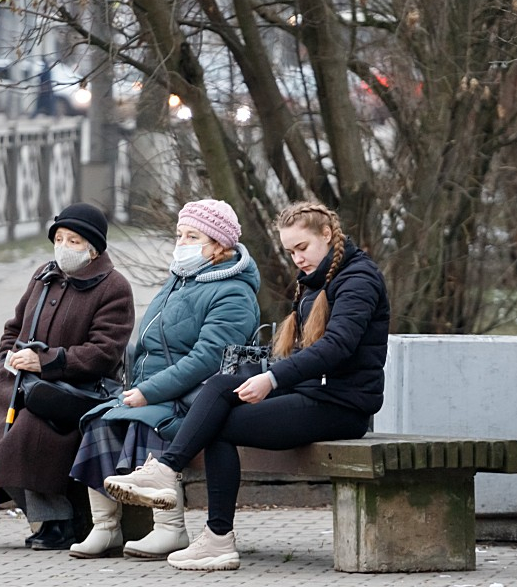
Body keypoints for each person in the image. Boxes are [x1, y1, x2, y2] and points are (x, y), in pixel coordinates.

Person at [103, 201, 390, 571]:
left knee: (219, 427)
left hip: (343, 406)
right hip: (311, 393)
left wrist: (271, 379)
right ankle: (176, 481)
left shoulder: (358, 279)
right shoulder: (317, 280)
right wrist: (270, 374)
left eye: (302, 248)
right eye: (290, 252)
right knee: (223, 387)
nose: (297, 259)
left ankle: (213, 532)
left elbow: (336, 348)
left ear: (327, 235)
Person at [67, 199, 260, 560]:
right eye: (179, 234)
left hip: (192, 399)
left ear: (219, 245)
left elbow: (207, 359)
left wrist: (147, 392)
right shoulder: (180, 280)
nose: (181, 243)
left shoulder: (233, 292)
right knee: (98, 422)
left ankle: (170, 529)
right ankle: (105, 527)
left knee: (147, 423)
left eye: (193, 236)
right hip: (155, 390)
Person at [0, 203, 134, 551]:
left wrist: (47, 361)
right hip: (25, 385)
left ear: (94, 249)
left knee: (24, 440)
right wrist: (8, 358)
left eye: (75, 241)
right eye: (60, 238)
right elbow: (15, 327)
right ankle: (48, 519)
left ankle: (59, 521)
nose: (64, 247)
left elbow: (103, 351)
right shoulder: (44, 275)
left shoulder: (114, 287)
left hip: (74, 393)